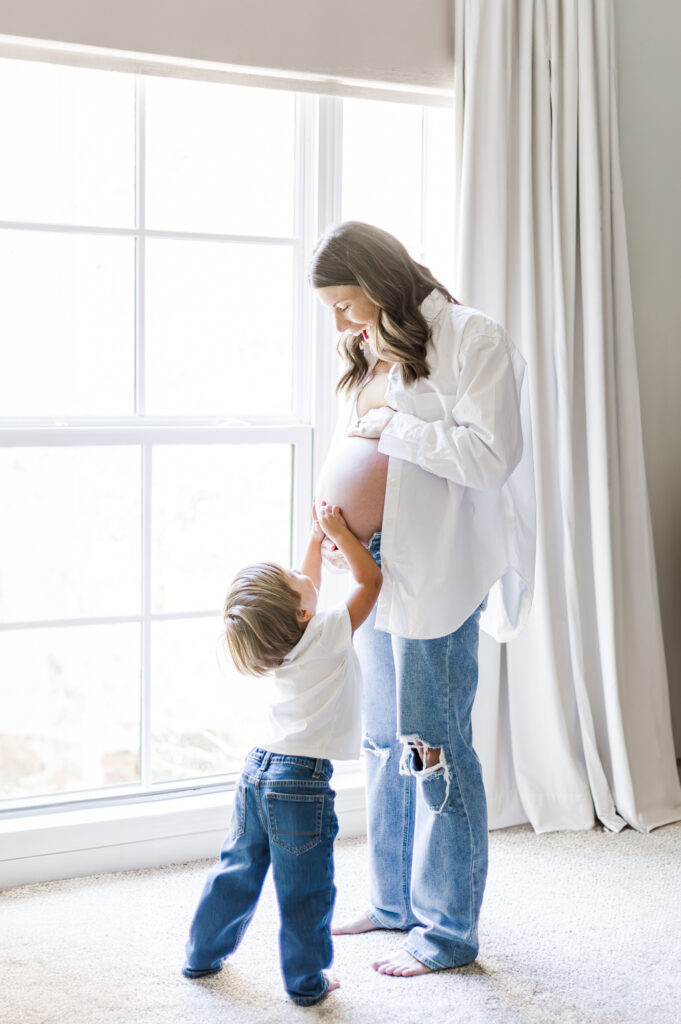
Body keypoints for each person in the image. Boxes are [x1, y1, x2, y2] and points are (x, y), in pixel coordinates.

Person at [310, 221, 535, 977]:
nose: (341, 322)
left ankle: (445, 932)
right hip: (370, 567)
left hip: (433, 568)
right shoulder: (372, 343)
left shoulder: (473, 337)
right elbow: (364, 448)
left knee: (431, 748)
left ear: (375, 279)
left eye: (345, 303)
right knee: (381, 741)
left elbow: (489, 457)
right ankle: (395, 902)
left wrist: (394, 428)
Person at [182, 501, 382, 1006]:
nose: (302, 573)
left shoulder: (285, 641)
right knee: (305, 889)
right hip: (300, 782)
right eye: (294, 578)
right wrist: (340, 532)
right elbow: (370, 584)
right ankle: (305, 983)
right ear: (301, 612)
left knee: (237, 869)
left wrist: (314, 547)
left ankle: (201, 954)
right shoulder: (327, 632)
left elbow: (302, 594)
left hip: (258, 768)